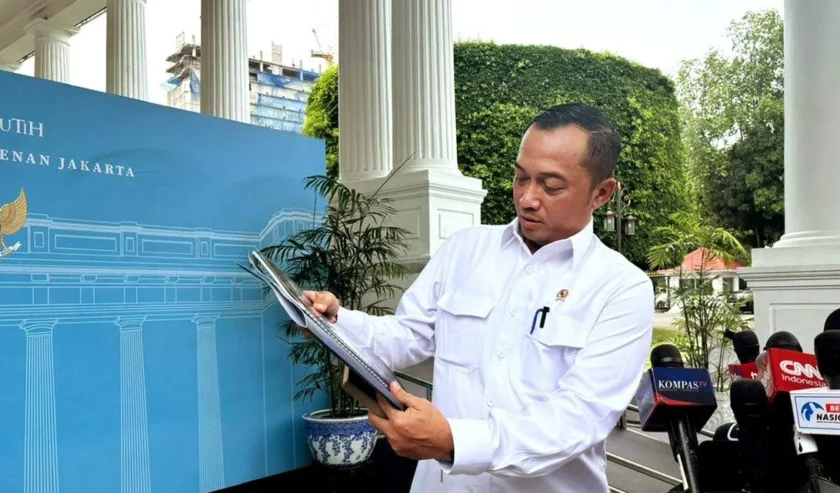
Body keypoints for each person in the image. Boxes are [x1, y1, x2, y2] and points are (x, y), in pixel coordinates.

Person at [303, 102, 654, 492]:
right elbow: (407, 335)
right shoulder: (464, 249)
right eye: (521, 178)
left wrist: (453, 441)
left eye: (551, 185)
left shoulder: (622, 288)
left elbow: (576, 418)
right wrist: (336, 322)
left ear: (601, 193)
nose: (527, 198)